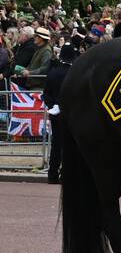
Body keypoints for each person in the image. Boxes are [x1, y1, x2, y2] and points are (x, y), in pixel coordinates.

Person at [43, 44, 76, 183]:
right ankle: (66, 173)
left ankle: (52, 174)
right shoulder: (74, 72)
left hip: (55, 112)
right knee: (70, 144)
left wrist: (52, 106)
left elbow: (46, 93)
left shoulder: (53, 72)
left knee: (56, 144)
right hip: (70, 112)